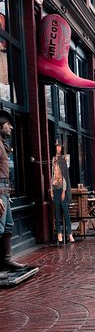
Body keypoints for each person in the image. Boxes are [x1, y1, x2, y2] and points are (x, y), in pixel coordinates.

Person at [0, 110, 26, 272]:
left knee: (8, 226)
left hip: (4, 190)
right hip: (0, 190)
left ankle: (5, 261)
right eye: (8, 124)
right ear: (0, 126)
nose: (11, 127)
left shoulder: (3, 143)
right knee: (0, 228)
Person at [51, 141, 75, 246]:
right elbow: (52, 175)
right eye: (57, 147)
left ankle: (69, 233)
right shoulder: (53, 159)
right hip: (55, 187)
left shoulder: (63, 159)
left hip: (62, 188)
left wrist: (64, 191)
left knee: (65, 211)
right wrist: (51, 189)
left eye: (60, 147)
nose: (58, 148)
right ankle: (59, 233)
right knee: (57, 212)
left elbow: (65, 176)